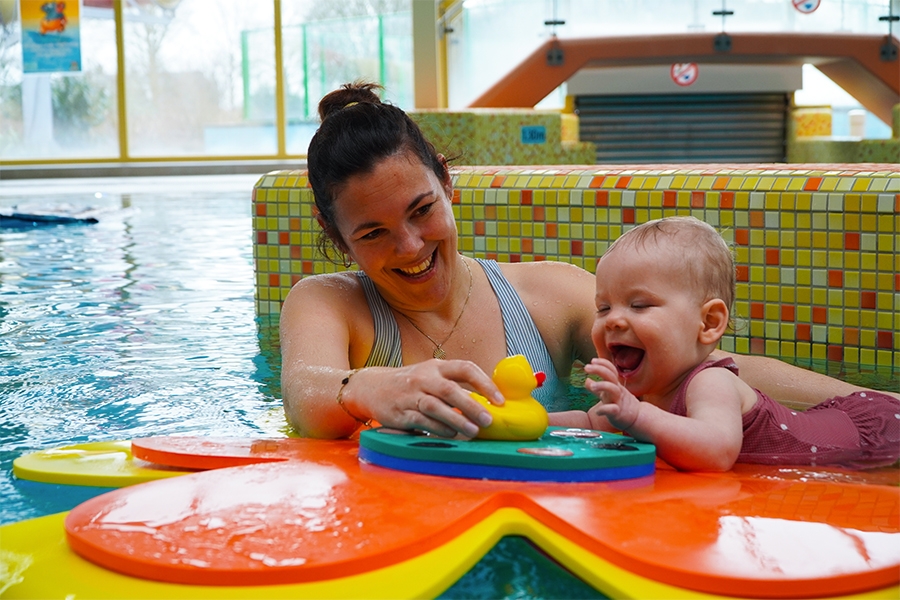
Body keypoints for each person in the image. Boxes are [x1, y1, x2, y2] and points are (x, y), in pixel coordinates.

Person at [279, 81, 889, 441]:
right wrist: (380, 386)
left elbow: (707, 374)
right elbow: (305, 392)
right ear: (338, 239)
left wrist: (867, 405)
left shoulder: (546, 295)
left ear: (446, 181)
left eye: (420, 210)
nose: (410, 246)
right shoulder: (329, 301)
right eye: (374, 233)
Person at [554, 216, 900, 471]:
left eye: (640, 305)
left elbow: (716, 451)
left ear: (708, 323)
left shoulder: (710, 382)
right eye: (603, 307)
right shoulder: (638, 393)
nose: (613, 319)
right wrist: (526, 419)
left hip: (870, 438)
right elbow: (587, 425)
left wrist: (636, 415)